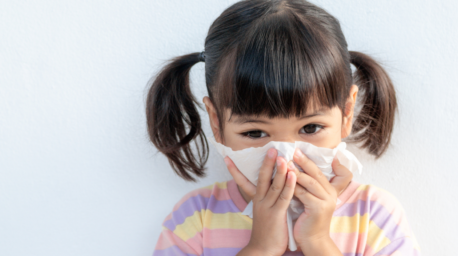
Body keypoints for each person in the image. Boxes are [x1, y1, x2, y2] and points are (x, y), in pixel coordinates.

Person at [146, 0, 420, 255]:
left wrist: (318, 242)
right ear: (216, 123)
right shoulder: (194, 218)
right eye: (255, 133)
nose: (284, 161)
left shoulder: (375, 215)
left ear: (346, 113)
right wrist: (261, 247)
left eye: (311, 128)